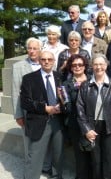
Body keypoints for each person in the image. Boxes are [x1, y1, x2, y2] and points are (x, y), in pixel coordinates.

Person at [76, 54, 111, 179]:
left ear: (106, 65)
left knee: (109, 159)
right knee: (95, 161)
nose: (98, 67)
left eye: (101, 64)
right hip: (92, 127)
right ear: (92, 66)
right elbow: (80, 109)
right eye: (95, 64)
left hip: (109, 127)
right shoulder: (85, 85)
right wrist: (86, 129)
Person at [12, 37, 54, 176]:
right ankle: (31, 170)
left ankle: (46, 166)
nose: (32, 51)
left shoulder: (47, 63)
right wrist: (18, 114)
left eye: (35, 48)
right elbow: (15, 92)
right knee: (30, 143)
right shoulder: (19, 67)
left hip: (48, 112)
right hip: (28, 112)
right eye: (29, 48)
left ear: (40, 49)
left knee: (47, 142)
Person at [20, 51, 64, 179]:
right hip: (39, 121)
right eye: (43, 59)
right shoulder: (29, 78)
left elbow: (65, 96)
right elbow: (25, 102)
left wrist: (63, 106)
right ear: (39, 60)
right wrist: (45, 108)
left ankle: (56, 176)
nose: (46, 61)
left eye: (49, 59)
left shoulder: (59, 76)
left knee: (58, 153)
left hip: (58, 120)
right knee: (35, 155)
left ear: (54, 60)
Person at [62, 54, 92, 179]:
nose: (77, 67)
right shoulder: (65, 85)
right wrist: (63, 100)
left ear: (85, 66)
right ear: (70, 67)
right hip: (75, 125)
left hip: (92, 125)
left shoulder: (93, 80)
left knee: (94, 157)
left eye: (80, 64)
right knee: (80, 158)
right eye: (74, 65)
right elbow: (67, 108)